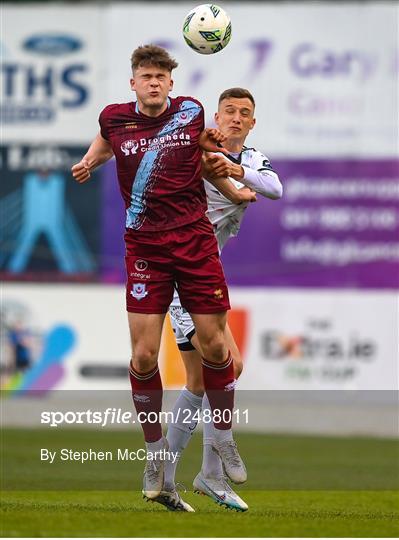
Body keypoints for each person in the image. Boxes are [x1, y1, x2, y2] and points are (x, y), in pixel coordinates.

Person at [71, 45, 246, 511]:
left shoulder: (190, 112)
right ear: (133, 83)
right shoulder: (114, 117)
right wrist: (91, 161)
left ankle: (224, 441)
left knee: (217, 349)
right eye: (146, 76)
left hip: (193, 241)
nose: (153, 82)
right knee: (144, 355)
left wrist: (226, 170)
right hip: (145, 246)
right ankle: (155, 456)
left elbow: (207, 150)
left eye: (161, 77)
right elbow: (107, 142)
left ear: (171, 83)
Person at [162, 87, 283, 512]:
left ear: (252, 123)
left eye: (244, 113)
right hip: (179, 274)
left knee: (202, 381)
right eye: (228, 110)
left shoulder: (250, 160)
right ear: (216, 116)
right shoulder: (197, 152)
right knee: (225, 368)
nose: (235, 117)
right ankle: (209, 475)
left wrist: (235, 171)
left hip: (203, 277)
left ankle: (169, 477)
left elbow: (274, 188)